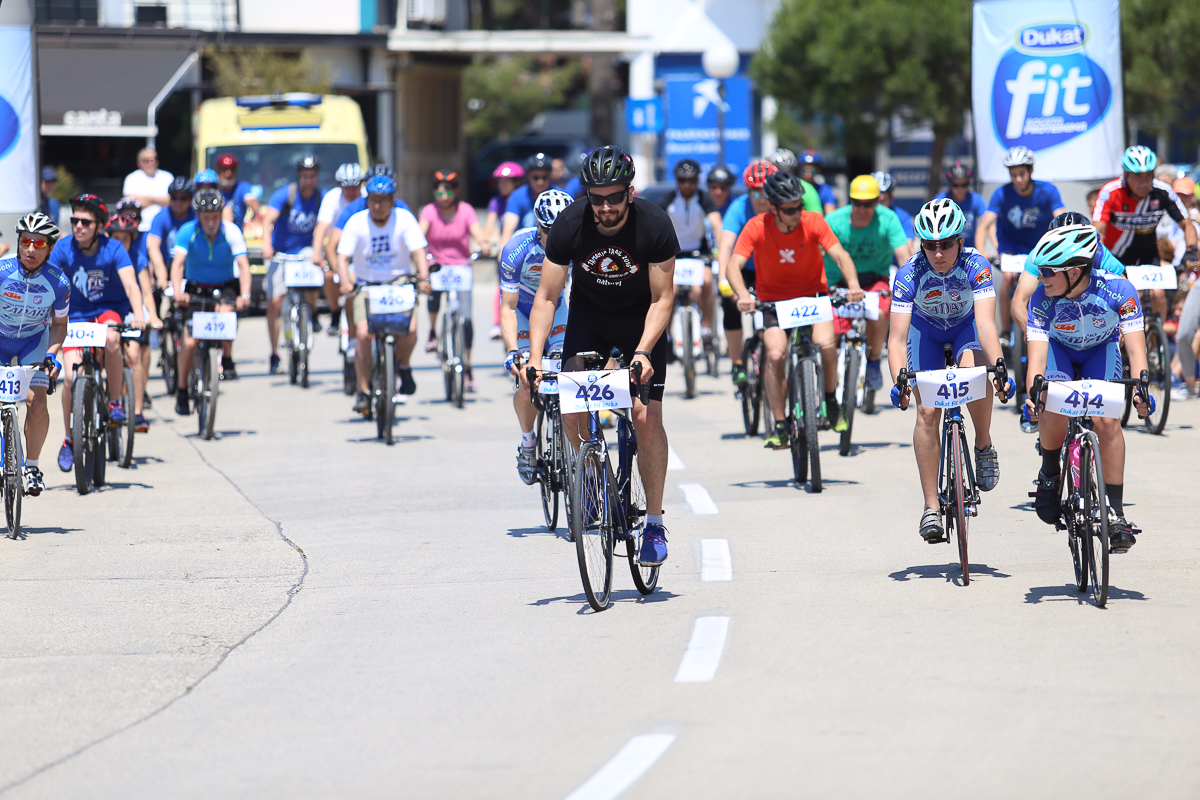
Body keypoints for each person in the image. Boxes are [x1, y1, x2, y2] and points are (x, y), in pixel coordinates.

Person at [526, 145, 677, 567]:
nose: (606, 207)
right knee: (572, 407)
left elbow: (664, 298)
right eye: (596, 198)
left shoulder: (655, 224)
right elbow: (547, 297)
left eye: (614, 197)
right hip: (589, 318)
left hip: (641, 321)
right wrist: (535, 358)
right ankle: (594, 480)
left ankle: (654, 524)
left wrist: (643, 351)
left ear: (630, 193)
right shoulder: (569, 224)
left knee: (646, 417)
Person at [887, 199, 1011, 542]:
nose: (938, 253)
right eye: (930, 245)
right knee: (927, 413)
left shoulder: (976, 264)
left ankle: (983, 443)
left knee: (974, 373)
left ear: (960, 241)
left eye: (945, 244)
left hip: (964, 329)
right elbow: (896, 339)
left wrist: (1000, 368)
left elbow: (986, 325)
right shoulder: (909, 272)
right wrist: (899, 380)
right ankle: (930, 506)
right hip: (925, 333)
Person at [1024, 224, 1152, 553]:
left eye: (1048, 271)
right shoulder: (1041, 298)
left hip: (1101, 349)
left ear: (1075, 271)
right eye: (1040, 270)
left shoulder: (1119, 290)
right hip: (1060, 350)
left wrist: (1142, 389)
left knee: (1107, 421)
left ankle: (1116, 513)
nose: (1041, 277)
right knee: (1051, 399)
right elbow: (1036, 361)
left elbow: (1136, 349)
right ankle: (1050, 472)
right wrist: (1033, 397)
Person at [724, 171, 864, 446]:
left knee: (827, 346)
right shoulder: (756, 226)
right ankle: (779, 424)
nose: (797, 213)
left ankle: (829, 398)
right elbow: (733, 266)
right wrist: (742, 295)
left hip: (812, 296)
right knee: (775, 355)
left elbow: (840, 255)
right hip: (773, 301)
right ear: (773, 208)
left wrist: (854, 286)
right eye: (789, 210)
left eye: (799, 206)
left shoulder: (813, 221)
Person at [49, 195, 145, 472]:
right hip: (73, 317)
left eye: (86, 222)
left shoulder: (114, 248)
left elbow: (131, 285)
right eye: (75, 220)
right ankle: (69, 439)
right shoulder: (63, 248)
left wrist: (139, 315)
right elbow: (49, 283)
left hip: (107, 311)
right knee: (71, 379)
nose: (78, 226)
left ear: (100, 226)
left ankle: (114, 401)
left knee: (113, 337)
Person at [336, 174, 430, 415]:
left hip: (399, 283)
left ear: (392, 201)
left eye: (383, 200)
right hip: (365, 285)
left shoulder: (404, 219)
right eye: (374, 200)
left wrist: (424, 278)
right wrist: (345, 282)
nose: (378, 205)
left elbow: (419, 252)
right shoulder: (356, 222)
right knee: (363, 335)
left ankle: (404, 366)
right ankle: (363, 390)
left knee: (410, 330)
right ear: (367, 200)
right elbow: (342, 258)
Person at [500, 189, 573, 483]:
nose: (556, 238)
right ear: (537, 226)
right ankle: (528, 442)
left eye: (562, 231)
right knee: (527, 379)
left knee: (574, 369)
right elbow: (507, 306)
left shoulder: (580, 243)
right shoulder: (516, 248)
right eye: (549, 231)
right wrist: (512, 351)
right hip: (522, 311)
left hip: (557, 310)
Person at [0, 213, 70, 495]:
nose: (30, 249)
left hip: (34, 342)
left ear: (50, 248)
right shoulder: (2, 270)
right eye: (26, 241)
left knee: (37, 402)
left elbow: (60, 324)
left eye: (39, 244)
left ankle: (32, 466)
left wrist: (52, 355)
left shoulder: (59, 282)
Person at [824, 174, 913, 392]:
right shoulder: (834, 221)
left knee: (882, 314)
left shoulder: (888, 219)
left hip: (874, 280)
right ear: (850, 201)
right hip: (837, 282)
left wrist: (913, 289)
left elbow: (904, 257)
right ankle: (829, 382)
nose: (862, 209)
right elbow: (814, 256)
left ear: (878, 201)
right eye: (857, 203)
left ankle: (873, 360)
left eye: (869, 203)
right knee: (829, 333)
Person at [1093, 146, 1199, 321]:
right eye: (1137, 176)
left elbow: (1187, 224)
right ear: (1126, 174)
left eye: (1148, 175)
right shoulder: (1110, 192)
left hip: (1147, 253)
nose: (1143, 182)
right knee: (1121, 298)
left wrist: (1191, 251)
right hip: (1115, 255)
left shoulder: (1162, 191)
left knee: (1158, 295)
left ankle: (1157, 336)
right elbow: (1098, 231)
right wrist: (1101, 259)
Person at [170, 189, 251, 414]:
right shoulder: (187, 231)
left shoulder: (231, 231)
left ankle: (228, 357)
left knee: (227, 313)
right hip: (195, 288)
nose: (211, 222)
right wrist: (177, 292)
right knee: (189, 342)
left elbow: (244, 267)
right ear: (198, 216)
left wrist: (245, 295)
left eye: (215, 217)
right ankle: (182, 389)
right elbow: (177, 265)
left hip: (224, 285)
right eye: (206, 218)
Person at [974, 146, 1067, 339]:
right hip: (1011, 246)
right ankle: (1005, 333)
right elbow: (984, 225)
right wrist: (981, 250)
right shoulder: (1001, 194)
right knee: (1008, 278)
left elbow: (1062, 220)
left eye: (1022, 174)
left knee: (1047, 281)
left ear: (1031, 170)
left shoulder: (1048, 191)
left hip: (1039, 247)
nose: (1018, 179)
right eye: (1013, 175)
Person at [717, 160, 796, 387]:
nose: (761, 199)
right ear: (748, 191)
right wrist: (723, 280)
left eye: (765, 192)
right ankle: (737, 362)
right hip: (744, 269)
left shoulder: (781, 208)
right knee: (730, 304)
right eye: (755, 193)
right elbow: (725, 246)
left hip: (773, 269)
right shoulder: (738, 208)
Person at [419, 169, 491, 389]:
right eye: (439, 192)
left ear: (456, 191)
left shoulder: (465, 210)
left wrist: (484, 244)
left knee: (466, 319)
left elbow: (478, 233)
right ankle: (433, 332)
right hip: (438, 266)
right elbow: (419, 236)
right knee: (432, 291)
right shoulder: (429, 212)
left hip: (461, 267)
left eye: (448, 192)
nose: (444, 196)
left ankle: (467, 365)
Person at [262, 155, 323, 373]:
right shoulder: (285, 195)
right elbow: (267, 220)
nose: (309, 180)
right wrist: (267, 245)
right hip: (281, 253)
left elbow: (327, 223)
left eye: (312, 176)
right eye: (305, 176)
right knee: (274, 302)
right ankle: (274, 353)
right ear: (299, 176)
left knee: (315, 277)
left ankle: (312, 312)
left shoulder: (320, 197)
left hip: (306, 251)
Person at [105, 211, 161, 432]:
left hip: (130, 313)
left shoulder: (137, 258)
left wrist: (151, 315)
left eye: (125, 239)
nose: (120, 243)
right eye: (116, 238)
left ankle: (137, 412)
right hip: (106, 312)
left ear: (132, 239)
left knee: (133, 355)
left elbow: (146, 292)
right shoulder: (101, 256)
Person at [656, 159, 724, 337]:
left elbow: (717, 224)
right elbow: (654, 223)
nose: (687, 185)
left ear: (698, 180)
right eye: (682, 180)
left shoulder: (703, 198)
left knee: (705, 284)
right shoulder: (669, 199)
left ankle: (707, 328)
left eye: (692, 181)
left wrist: (720, 249)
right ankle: (666, 336)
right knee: (670, 291)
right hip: (674, 253)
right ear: (676, 180)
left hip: (698, 252)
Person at [312, 163, 366, 336]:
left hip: (361, 251)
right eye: (346, 187)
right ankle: (334, 311)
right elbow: (321, 228)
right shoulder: (332, 198)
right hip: (336, 249)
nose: (351, 192)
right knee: (329, 275)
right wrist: (316, 253)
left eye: (355, 187)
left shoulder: (367, 198)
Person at [485, 161, 525, 340]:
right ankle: (497, 323)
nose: (502, 186)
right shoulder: (496, 202)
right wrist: (486, 241)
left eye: (506, 182)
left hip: (525, 251)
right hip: (506, 251)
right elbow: (489, 225)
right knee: (502, 287)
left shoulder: (523, 199)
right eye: (500, 182)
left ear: (517, 182)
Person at [145, 177, 196, 292]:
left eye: (183, 198)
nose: (178, 202)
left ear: (190, 199)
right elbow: (153, 247)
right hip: (165, 266)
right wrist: (162, 278)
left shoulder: (196, 217)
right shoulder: (160, 217)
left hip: (190, 267)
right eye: (174, 198)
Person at [500, 152, 554, 247]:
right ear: (529, 177)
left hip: (552, 249)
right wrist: (503, 252)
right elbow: (508, 230)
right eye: (535, 177)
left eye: (544, 177)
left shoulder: (560, 196)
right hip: (523, 248)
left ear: (550, 177)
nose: (540, 182)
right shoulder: (517, 195)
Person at [935, 162, 987, 247]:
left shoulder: (976, 199)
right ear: (950, 184)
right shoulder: (940, 200)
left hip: (970, 249)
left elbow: (987, 223)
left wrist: (987, 248)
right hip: (946, 248)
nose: (960, 189)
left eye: (964, 185)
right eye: (955, 185)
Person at [122, 147, 174, 232]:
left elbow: (171, 202)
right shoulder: (132, 178)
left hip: (164, 229)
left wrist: (148, 199)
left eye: (155, 159)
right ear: (139, 163)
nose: (152, 162)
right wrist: (160, 200)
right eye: (147, 160)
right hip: (140, 228)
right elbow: (131, 205)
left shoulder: (167, 177)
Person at [214, 153, 259, 231]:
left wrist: (256, 212)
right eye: (224, 170)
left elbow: (251, 199)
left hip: (237, 234)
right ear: (218, 171)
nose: (228, 174)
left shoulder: (242, 187)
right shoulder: (213, 190)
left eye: (232, 170)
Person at [871, 171, 914, 247]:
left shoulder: (903, 217)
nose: (878, 206)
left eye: (882, 201)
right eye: (874, 201)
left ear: (891, 198)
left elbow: (908, 247)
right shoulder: (855, 215)